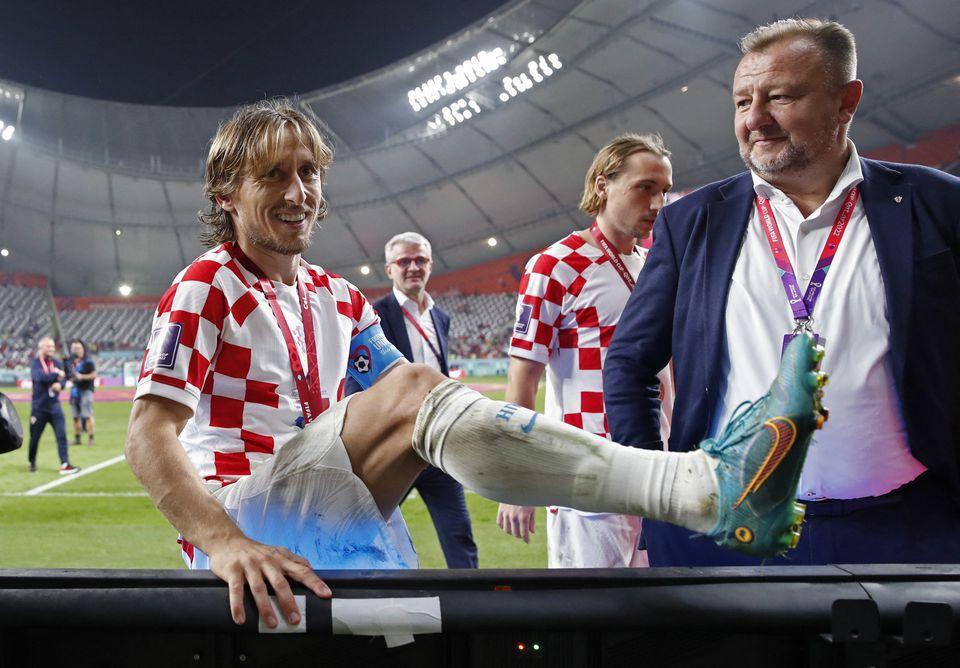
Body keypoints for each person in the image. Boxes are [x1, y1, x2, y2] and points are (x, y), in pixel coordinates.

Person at [124, 98, 827, 630]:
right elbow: (147, 435)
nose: (297, 191)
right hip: (246, 521)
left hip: (337, 515)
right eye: (272, 175)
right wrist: (222, 543)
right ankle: (699, 488)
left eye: (308, 172)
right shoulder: (208, 284)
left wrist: (495, 445)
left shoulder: (337, 297)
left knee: (423, 400)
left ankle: (699, 486)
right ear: (226, 194)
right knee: (417, 392)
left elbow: (420, 400)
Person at [604, 18, 960, 567]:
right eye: (742, 102)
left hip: (908, 528)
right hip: (726, 532)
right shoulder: (692, 222)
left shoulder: (939, 204)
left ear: (846, 101)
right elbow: (629, 361)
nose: (755, 119)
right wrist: (657, 490)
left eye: (780, 97)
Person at [496, 134, 675, 568]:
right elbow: (522, 380)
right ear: (602, 185)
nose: (657, 203)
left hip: (657, 468)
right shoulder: (555, 265)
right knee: (594, 604)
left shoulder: (655, 265)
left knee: (661, 602)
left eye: (664, 190)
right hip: (587, 476)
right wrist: (517, 482)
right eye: (645, 188)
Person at [345, 232, 478, 569]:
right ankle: (365, 596)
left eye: (420, 260)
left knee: (459, 535)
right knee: (366, 533)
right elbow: (355, 384)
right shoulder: (373, 315)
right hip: (395, 448)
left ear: (430, 265)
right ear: (390, 269)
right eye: (404, 261)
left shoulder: (440, 316)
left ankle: (471, 600)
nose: (413, 267)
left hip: (438, 445)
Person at [28, 336, 79, 475]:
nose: (51, 349)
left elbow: (64, 379)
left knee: (62, 435)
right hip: (39, 408)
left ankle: (65, 463)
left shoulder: (57, 362)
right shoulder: (35, 363)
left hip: (55, 406)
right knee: (35, 438)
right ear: (41, 348)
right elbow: (40, 377)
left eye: (52, 346)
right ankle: (32, 461)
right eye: (48, 346)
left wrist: (60, 385)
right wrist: (57, 375)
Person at [67, 339, 97, 445]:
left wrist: (82, 377)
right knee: (75, 416)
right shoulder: (70, 362)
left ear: (83, 349)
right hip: (74, 391)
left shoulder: (88, 361)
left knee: (88, 415)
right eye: (74, 348)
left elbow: (94, 375)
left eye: (78, 348)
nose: (76, 350)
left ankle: (91, 438)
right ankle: (77, 439)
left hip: (86, 390)